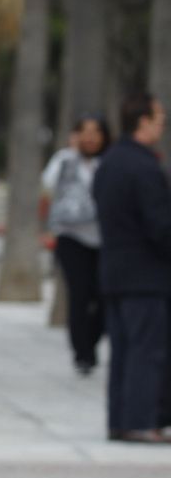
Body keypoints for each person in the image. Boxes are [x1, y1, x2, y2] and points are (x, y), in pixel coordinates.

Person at [91, 93, 171, 444]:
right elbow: (160, 225)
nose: (162, 127)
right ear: (143, 121)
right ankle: (140, 421)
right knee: (146, 351)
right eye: (159, 120)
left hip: (114, 272)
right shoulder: (144, 167)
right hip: (146, 275)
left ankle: (120, 420)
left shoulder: (109, 162)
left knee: (123, 351)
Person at [42, 115, 111, 375]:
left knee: (103, 296)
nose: (90, 137)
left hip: (103, 239)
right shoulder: (64, 160)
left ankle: (89, 342)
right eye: (85, 131)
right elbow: (47, 186)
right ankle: (83, 354)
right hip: (71, 237)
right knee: (79, 295)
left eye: (96, 131)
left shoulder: (108, 162)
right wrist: (70, 155)